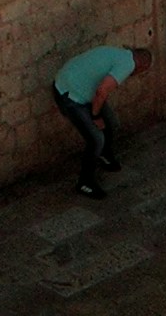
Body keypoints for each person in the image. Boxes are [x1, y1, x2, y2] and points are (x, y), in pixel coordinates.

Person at [48, 33, 139, 195]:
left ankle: (104, 154)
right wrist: (96, 116)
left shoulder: (117, 53)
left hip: (80, 88)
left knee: (111, 123)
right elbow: (102, 91)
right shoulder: (128, 65)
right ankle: (85, 182)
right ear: (142, 66)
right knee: (96, 138)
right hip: (70, 94)